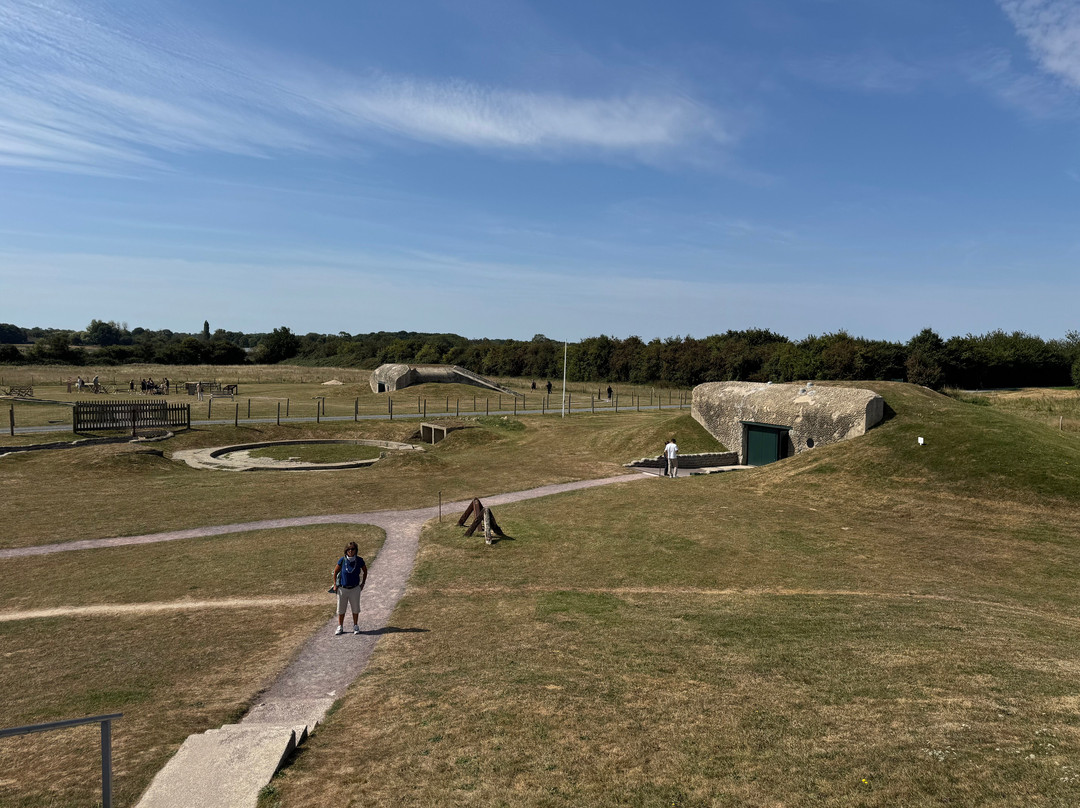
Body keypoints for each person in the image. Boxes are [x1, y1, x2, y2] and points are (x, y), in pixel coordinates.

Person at [332, 542, 368, 635]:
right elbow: (335, 572)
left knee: (355, 608)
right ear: (346, 551)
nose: (350, 551)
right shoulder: (342, 560)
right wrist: (335, 585)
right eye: (349, 549)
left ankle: (355, 625)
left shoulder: (359, 560)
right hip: (343, 589)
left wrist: (363, 583)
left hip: (355, 589)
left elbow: (365, 570)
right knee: (341, 609)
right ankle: (340, 626)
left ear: (356, 550)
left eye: (352, 549)